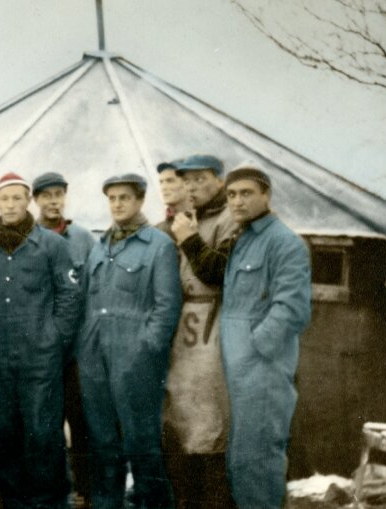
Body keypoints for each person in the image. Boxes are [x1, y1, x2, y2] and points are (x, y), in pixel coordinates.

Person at [179, 164, 311, 509]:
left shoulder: (284, 242)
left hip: (262, 372)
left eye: (247, 193)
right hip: (235, 370)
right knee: (240, 463)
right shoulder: (241, 239)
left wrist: (255, 349)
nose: (237, 201)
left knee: (257, 463)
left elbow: (291, 309)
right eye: (233, 194)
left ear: (266, 195)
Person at [0, 172, 82, 509]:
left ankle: (50, 500)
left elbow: (69, 295)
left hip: (40, 356)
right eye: (4, 199)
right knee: (2, 431)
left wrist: (55, 338)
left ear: (27, 201)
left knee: (43, 430)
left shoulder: (52, 245)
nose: (11, 205)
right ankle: (13, 498)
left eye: (17, 198)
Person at [77, 173, 182, 509]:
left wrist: (148, 348)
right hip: (95, 355)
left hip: (135, 356)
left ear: (139, 201)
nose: (118, 204)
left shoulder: (158, 245)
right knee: (103, 441)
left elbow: (167, 306)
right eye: (112, 199)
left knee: (141, 441)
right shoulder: (100, 246)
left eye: (124, 198)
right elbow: (86, 299)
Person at [161, 155, 237, 509]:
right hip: (185, 322)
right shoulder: (187, 218)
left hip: (213, 319)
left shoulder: (229, 219)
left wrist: (189, 239)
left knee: (209, 421)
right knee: (180, 416)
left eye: (200, 180)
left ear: (219, 181)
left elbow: (219, 273)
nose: (192, 188)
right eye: (187, 181)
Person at [32, 171, 95, 507]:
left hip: (77, 348)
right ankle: (54, 491)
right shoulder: (30, 238)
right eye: (46, 195)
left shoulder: (83, 238)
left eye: (58, 194)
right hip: (42, 348)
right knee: (44, 422)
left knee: (81, 418)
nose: (53, 201)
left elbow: (92, 288)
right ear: (36, 200)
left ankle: (85, 488)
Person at [154, 160, 192, 240]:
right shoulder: (156, 232)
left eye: (170, 181)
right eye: (161, 182)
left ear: (187, 184)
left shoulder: (205, 219)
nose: (163, 187)